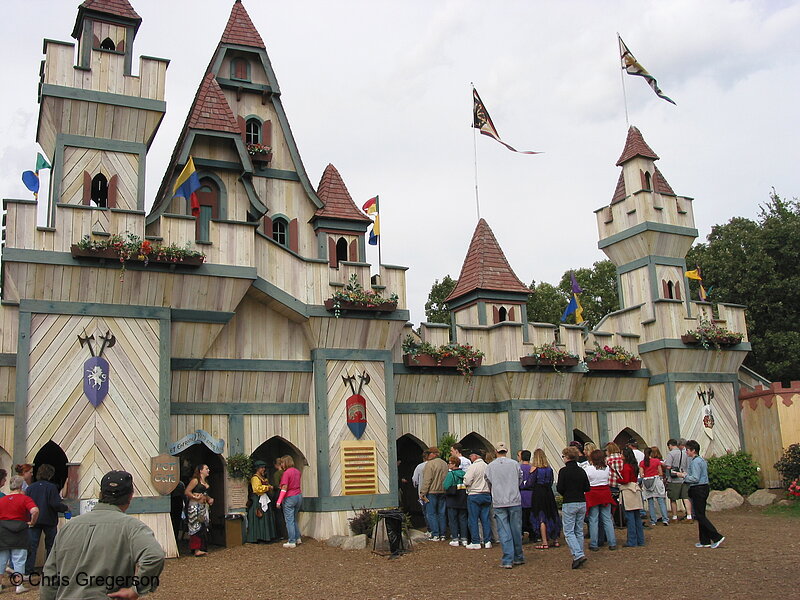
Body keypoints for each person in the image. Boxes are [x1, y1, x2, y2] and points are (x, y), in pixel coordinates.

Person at [40, 470, 165, 600]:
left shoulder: (68, 528)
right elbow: (155, 556)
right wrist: (136, 590)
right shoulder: (133, 527)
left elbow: (49, 576)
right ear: (130, 496)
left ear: (100, 494)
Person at [676, 440, 724, 549]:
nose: (686, 452)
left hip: (698, 488)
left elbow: (695, 478)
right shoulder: (701, 460)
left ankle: (716, 537)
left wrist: (683, 476)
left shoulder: (696, 462)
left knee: (700, 515)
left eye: (687, 450)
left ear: (693, 450)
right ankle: (704, 540)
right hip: (703, 487)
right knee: (700, 514)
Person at [484, 442, 524, 569]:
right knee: (516, 529)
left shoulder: (490, 466)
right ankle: (518, 556)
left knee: (504, 530)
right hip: (514, 499)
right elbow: (520, 479)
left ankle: (507, 558)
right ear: (506, 451)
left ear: (496, 451)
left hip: (499, 500)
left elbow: (488, 481)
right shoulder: (514, 464)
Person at [24, 463, 69, 576]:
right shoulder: (51, 487)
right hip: (49, 520)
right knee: (50, 545)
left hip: (34, 520)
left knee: (32, 546)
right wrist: (65, 508)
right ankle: (49, 570)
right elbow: (55, 504)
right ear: (50, 475)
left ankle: (28, 570)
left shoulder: (30, 488)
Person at [0, 476, 39, 595]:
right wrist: (32, 522)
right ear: (21, 486)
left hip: (3, 530)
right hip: (20, 530)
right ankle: (19, 585)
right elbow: (35, 510)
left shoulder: (2, 499)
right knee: (19, 559)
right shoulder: (25, 499)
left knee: (1, 560)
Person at [557, 446, 590, 569]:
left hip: (569, 501)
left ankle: (578, 554)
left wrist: (566, 493)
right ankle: (579, 553)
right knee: (579, 530)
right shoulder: (581, 471)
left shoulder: (563, 471)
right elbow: (587, 487)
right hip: (581, 501)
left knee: (569, 531)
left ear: (567, 457)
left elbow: (560, 488)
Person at [584, 449, 617, 552]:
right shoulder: (607, 468)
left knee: (593, 519)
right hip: (605, 492)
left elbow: (587, 481)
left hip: (593, 493)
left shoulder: (588, 469)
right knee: (607, 519)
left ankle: (594, 543)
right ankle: (612, 542)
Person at [529, 448, 561, 549]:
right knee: (551, 514)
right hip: (548, 492)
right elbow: (551, 481)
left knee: (541, 516)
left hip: (538, 492)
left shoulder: (535, 469)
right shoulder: (549, 469)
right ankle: (555, 539)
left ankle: (544, 541)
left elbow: (530, 483)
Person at [463, 449, 492, 549]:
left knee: (473, 519)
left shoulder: (473, 466)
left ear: (475, 456)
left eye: (471, 455)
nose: (470, 457)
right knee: (485, 519)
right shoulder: (487, 466)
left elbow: (467, 480)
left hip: (474, 494)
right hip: (486, 494)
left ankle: (476, 541)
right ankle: (487, 541)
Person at [419, 447, 448, 541]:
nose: (427, 455)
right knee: (442, 513)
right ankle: (443, 534)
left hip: (432, 492)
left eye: (428, 453)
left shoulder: (430, 464)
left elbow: (427, 480)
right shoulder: (444, 464)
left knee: (431, 513)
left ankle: (436, 534)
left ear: (432, 454)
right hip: (443, 491)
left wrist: (423, 492)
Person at [185, 463, 213, 557]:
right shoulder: (195, 481)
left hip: (203, 507)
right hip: (194, 506)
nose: (208, 470)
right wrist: (194, 496)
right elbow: (187, 491)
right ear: (201, 470)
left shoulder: (206, 482)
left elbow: (204, 493)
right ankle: (196, 549)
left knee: (203, 527)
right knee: (195, 527)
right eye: (206, 468)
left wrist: (209, 498)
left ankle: (202, 548)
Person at [619, 447, 645, 547]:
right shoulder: (634, 466)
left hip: (628, 491)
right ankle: (640, 540)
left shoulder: (626, 467)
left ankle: (632, 541)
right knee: (637, 517)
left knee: (630, 517)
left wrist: (618, 480)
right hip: (635, 489)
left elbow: (625, 480)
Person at [276, 455, 303, 548]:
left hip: (290, 497)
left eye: (282, 462)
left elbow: (284, 488)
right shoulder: (297, 471)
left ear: (286, 463)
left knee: (289, 520)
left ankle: (291, 541)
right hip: (298, 496)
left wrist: (279, 501)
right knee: (294, 518)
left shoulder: (286, 473)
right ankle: (297, 537)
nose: (281, 465)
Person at [247, 460, 276, 543]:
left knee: (265, 517)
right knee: (259, 516)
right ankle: (257, 536)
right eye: (262, 468)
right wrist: (267, 488)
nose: (263, 469)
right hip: (257, 500)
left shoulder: (263, 478)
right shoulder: (255, 478)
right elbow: (256, 489)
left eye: (264, 467)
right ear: (258, 469)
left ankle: (266, 536)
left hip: (264, 498)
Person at [664, 438, 693, 521]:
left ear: (670, 445)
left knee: (673, 499)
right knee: (685, 497)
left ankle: (674, 516)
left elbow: (668, 466)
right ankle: (689, 516)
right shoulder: (685, 453)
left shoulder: (671, 454)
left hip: (674, 479)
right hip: (684, 478)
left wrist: (663, 464)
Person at [443, 456, 468, 546]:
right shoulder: (464, 473)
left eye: (449, 463)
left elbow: (445, 486)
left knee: (453, 519)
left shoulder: (451, 474)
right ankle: (464, 538)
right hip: (463, 498)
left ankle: (455, 538)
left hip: (453, 499)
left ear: (454, 464)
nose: (448, 464)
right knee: (463, 518)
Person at [640, 447, 669, 526]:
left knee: (650, 502)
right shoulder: (656, 461)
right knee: (661, 500)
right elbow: (660, 472)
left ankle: (653, 520)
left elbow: (641, 474)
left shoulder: (642, 463)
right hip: (656, 480)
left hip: (647, 482)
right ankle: (665, 519)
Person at [605, 442, 625, 528]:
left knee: (611, 503)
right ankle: (622, 520)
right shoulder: (622, 458)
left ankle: (612, 521)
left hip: (612, 483)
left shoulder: (608, 459)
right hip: (622, 482)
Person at [269, 457, 288, 540]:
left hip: (279, 494)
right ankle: (287, 533)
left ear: (276, 465)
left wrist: (271, 487)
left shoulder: (277, 474)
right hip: (287, 494)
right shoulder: (285, 472)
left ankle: (280, 533)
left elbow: (277, 485)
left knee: (278, 514)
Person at [518, 450, 534, 541]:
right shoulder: (532, 468)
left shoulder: (518, 467)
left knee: (522, 516)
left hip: (521, 494)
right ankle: (533, 534)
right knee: (531, 515)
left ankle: (521, 534)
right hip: (531, 494)